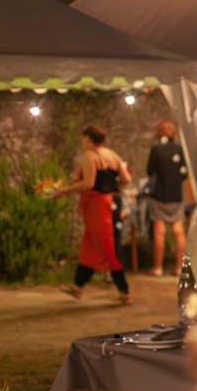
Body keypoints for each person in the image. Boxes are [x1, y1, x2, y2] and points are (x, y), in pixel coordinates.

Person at [51, 125, 132, 304]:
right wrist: (111, 184)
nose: (82, 141)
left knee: (106, 246)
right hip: (111, 202)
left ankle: (124, 291)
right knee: (91, 244)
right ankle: (77, 287)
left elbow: (89, 183)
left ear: (88, 138)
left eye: (83, 138)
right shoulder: (113, 155)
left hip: (98, 206)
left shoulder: (89, 156)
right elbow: (126, 180)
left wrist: (64, 191)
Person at [145, 119, 189, 276]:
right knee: (179, 231)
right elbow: (185, 173)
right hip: (176, 195)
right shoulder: (180, 149)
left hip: (160, 195)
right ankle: (179, 268)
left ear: (159, 132)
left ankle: (157, 268)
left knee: (159, 232)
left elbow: (150, 171)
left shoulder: (156, 149)